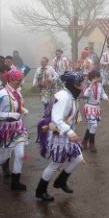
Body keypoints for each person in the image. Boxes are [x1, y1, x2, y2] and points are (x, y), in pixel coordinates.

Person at [35, 71, 85, 202]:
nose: (83, 86)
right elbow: (56, 118)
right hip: (59, 135)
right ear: (74, 84)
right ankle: (40, 191)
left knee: (78, 158)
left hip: (67, 134)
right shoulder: (64, 96)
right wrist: (70, 132)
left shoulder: (71, 95)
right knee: (55, 163)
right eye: (81, 84)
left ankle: (61, 181)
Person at [0, 69, 29, 191]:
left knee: (20, 155)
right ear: (10, 79)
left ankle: (15, 182)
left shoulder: (17, 92)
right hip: (5, 129)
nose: (20, 82)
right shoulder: (0, 94)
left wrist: (22, 109)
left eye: (21, 80)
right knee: (4, 156)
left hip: (18, 128)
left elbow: (18, 106)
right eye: (18, 80)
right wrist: (9, 115)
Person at [81, 70, 109, 152]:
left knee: (90, 125)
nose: (97, 79)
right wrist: (91, 85)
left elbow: (102, 93)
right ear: (92, 77)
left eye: (98, 77)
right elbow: (85, 94)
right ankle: (91, 144)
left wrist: (105, 97)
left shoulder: (100, 85)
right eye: (95, 77)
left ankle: (84, 142)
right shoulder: (87, 84)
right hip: (89, 107)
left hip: (97, 108)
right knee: (94, 124)